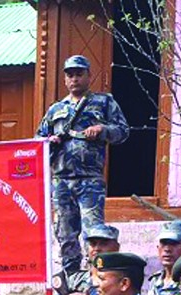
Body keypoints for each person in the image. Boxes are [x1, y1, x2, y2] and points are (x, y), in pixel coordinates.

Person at [37, 54, 129, 277]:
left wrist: (103, 130)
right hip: (61, 181)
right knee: (65, 233)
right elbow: (39, 139)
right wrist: (49, 141)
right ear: (65, 79)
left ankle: (96, 278)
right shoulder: (55, 109)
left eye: (79, 74)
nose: (74, 79)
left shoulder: (104, 102)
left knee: (93, 233)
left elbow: (123, 131)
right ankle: (71, 279)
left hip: (90, 180)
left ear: (88, 76)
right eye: (70, 75)